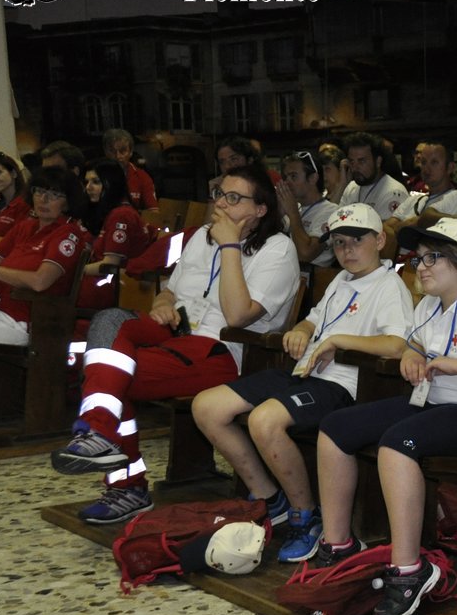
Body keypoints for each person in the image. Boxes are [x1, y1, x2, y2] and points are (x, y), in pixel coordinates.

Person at [310, 218, 457, 615]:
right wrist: (413, 358)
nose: (423, 267)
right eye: (419, 258)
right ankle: (339, 544)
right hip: (431, 406)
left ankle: (409, 571)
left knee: (397, 444)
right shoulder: (431, 303)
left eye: (435, 258)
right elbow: (412, 345)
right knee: (336, 428)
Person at [50, 164, 301, 525]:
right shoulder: (202, 237)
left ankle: (126, 483)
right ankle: (100, 431)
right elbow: (171, 287)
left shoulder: (278, 250)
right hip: (176, 334)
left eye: (234, 198)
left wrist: (231, 243)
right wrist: (163, 302)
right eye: (219, 195)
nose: (221, 205)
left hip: (222, 349)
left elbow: (237, 315)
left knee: (112, 375)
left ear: (260, 209)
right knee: (109, 321)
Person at [190, 204, 413, 561]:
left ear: (380, 240)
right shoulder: (342, 279)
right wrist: (300, 330)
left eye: (357, 240)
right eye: (339, 243)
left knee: (265, 420)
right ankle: (269, 497)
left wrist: (340, 341)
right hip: (305, 373)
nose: (347, 250)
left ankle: (306, 514)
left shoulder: (389, 286)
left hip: (343, 385)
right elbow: (312, 321)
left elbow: (397, 344)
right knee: (207, 406)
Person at [0, 165, 88, 346]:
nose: (43, 200)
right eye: (39, 191)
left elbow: (40, 282)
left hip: (22, 320)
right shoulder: (25, 226)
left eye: (54, 195)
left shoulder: (68, 234)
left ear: (67, 202)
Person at [78, 159, 155, 312]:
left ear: (112, 184)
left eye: (96, 182)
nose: (88, 187)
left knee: (53, 288)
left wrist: (75, 271)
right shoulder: (109, 212)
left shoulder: (121, 215)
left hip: (114, 288)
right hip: (102, 283)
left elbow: (110, 264)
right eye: (87, 182)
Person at [274, 150, 338, 267]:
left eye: (293, 176)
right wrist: (277, 215)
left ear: (313, 178)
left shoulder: (332, 212)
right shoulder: (293, 206)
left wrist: (293, 214)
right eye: (285, 177)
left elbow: (305, 254)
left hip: (314, 279)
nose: (287, 182)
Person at [338, 132, 409, 218]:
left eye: (361, 161)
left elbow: (383, 230)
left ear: (378, 161)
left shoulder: (394, 192)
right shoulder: (351, 188)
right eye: (352, 161)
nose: (355, 167)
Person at [102, 128, 157, 210]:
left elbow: (153, 212)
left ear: (131, 152)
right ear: (105, 152)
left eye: (123, 151)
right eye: (112, 151)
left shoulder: (142, 177)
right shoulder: (96, 176)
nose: (118, 156)